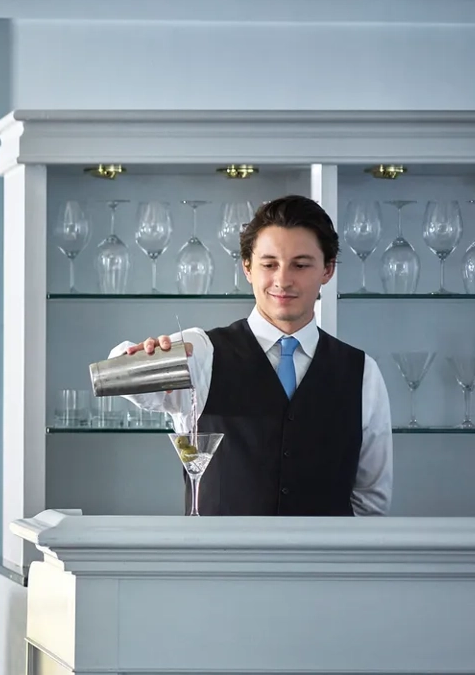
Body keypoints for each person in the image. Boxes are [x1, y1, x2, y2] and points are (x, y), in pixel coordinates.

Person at [111, 195, 391, 515]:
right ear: (248, 268)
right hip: (221, 562)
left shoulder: (362, 372)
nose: (282, 280)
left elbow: (371, 499)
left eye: (300, 265)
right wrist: (138, 355)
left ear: (327, 270)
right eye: (269, 264)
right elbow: (123, 379)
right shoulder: (202, 352)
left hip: (323, 564)